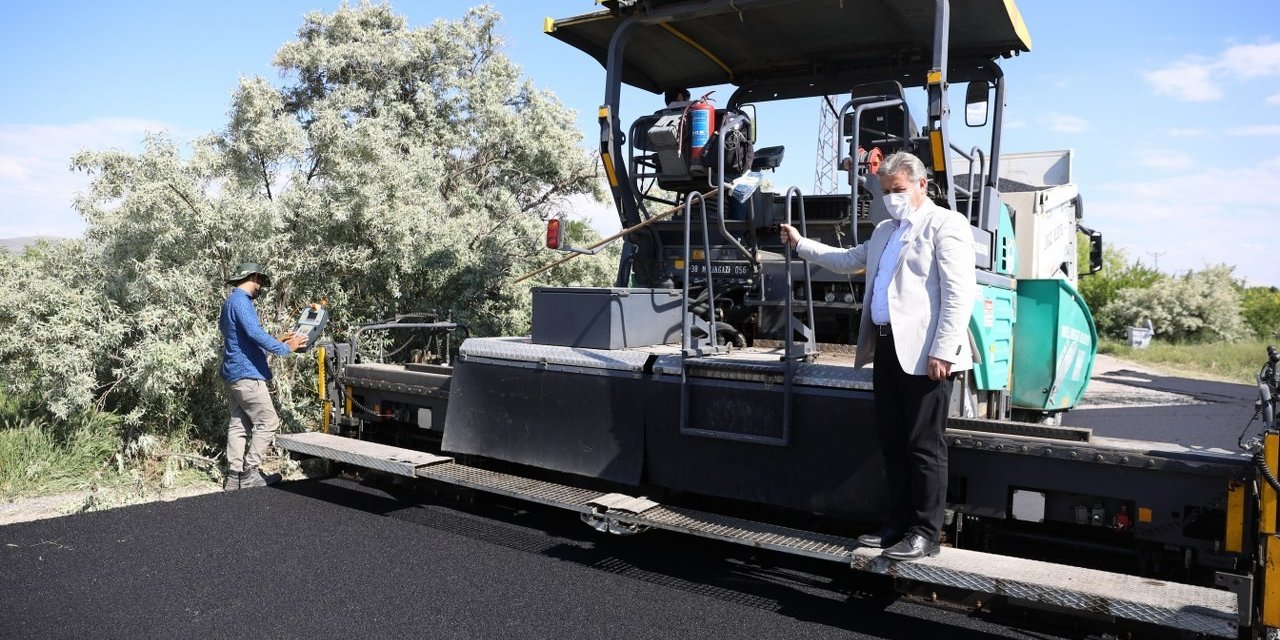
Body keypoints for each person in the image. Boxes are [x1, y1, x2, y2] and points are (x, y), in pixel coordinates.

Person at [779, 152, 975, 561]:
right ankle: (897, 526)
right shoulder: (886, 230)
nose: (891, 199)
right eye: (885, 192)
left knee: (923, 445)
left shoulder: (946, 224)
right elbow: (848, 260)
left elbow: (959, 293)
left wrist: (943, 350)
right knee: (892, 442)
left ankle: (926, 533)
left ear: (922, 184)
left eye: (898, 190)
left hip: (926, 355)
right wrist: (801, 245)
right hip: (888, 348)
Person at [219, 262, 307, 491]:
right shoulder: (242, 301)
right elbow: (254, 333)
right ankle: (250, 473)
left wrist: (278, 338)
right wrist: (287, 348)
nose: (260, 288)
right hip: (247, 374)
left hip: (233, 373)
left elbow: (239, 337)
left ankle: (233, 477)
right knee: (268, 422)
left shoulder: (229, 302)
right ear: (254, 277)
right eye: (260, 282)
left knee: (239, 424)